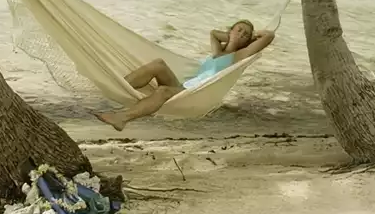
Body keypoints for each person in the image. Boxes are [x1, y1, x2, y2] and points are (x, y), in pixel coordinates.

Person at [96, 19, 273, 131]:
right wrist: (231, 36)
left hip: (197, 94)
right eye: (238, 29)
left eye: (245, 34)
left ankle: (122, 118)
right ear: (230, 30)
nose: (241, 34)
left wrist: (252, 35)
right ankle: (118, 86)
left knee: (163, 91)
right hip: (186, 86)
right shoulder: (217, 52)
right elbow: (213, 33)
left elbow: (269, 36)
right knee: (158, 64)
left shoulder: (239, 57)